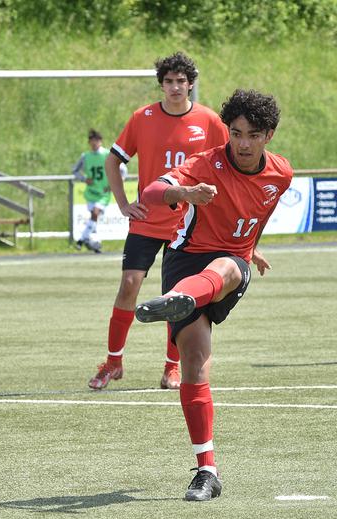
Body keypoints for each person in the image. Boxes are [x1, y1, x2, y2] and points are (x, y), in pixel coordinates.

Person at [134, 89, 292, 501]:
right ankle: (207, 471)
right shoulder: (205, 165)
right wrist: (184, 195)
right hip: (184, 262)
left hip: (230, 266)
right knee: (194, 363)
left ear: (268, 136)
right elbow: (150, 194)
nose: (242, 143)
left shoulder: (281, 175)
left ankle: (183, 300)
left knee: (224, 267)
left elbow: (255, 214)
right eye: (235, 133)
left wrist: (252, 247)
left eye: (252, 135)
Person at [90, 52, 229, 391]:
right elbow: (113, 162)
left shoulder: (209, 121)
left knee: (178, 296)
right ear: (161, 85)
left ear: (191, 84)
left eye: (181, 81)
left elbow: (229, 169)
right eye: (169, 81)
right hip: (148, 219)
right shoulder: (143, 117)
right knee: (129, 284)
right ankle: (113, 362)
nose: (175, 87)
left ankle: (172, 367)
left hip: (189, 224)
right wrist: (123, 203)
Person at [70, 129, 127, 253]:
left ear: (100, 141)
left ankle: (81, 240)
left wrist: (115, 183)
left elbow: (123, 170)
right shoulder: (86, 156)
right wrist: (84, 179)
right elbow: (74, 170)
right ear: (89, 142)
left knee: (95, 214)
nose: (94, 143)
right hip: (91, 192)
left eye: (96, 140)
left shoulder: (108, 154)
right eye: (92, 141)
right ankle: (94, 245)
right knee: (94, 219)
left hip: (103, 193)